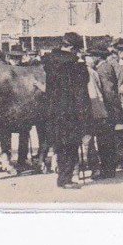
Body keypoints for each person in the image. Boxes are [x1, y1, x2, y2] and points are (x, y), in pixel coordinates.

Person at [42, 32, 90, 189]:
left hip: (54, 109)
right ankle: (66, 179)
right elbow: (82, 89)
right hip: (71, 110)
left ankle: (62, 177)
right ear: (73, 48)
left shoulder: (50, 62)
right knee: (71, 145)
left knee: (60, 145)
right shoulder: (75, 65)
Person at [84, 49, 118, 179]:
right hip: (103, 108)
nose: (90, 59)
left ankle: (107, 170)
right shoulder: (101, 68)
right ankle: (108, 169)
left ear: (98, 57)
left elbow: (108, 91)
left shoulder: (102, 69)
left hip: (104, 108)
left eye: (91, 56)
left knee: (104, 140)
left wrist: (108, 108)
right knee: (104, 139)